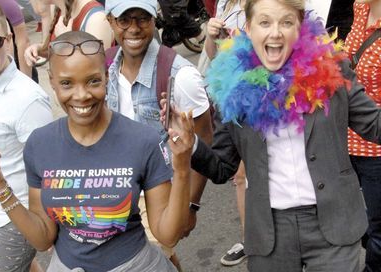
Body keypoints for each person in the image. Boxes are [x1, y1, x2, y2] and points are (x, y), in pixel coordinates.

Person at [163, 0, 381, 271]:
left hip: (334, 222)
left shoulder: (331, 68)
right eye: (265, 22)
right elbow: (222, 167)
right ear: (249, 27)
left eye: (286, 22)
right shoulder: (233, 84)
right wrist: (190, 145)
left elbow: (374, 125)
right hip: (270, 233)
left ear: (300, 26)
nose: (275, 33)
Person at [0, 30, 194, 272]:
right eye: (66, 83)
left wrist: (182, 166)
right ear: (51, 82)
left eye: (93, 81)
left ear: (106, 76)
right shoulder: (40, 145)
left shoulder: (143, 140)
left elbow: (168, 235)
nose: (81, 95)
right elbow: (42, 238)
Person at [104, 0, 213, 269]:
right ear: (110, 21)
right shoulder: (103, 69)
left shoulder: (181, 76)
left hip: (159, 197)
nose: (134, 28)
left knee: (151, 260)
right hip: (115, 198)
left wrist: (191, 204)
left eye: (142, 18)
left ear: (155, 20)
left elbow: (204, 142)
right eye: (124, 20)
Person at [0, 1, 53, 271]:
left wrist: (49, 227)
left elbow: (48, 169)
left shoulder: (28, 99)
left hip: (10, 221)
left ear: (9, 40)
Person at [199, 0, 248, 266]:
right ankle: (250, 238)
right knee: (240, 177)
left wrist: (244, 42)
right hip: (229, 98)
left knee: (247, 174)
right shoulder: (224, 3)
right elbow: (212, 55)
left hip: (258, 97)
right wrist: (211, 35)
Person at [345, 1, 381, 270]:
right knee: (357, 222)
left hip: (376, 150)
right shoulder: (361, 6)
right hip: (346, 140)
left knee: (379, 232)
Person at [24, 0, 113, 67]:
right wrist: (40, 50)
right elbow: (57, 54)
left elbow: (95, 72)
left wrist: (66, 44)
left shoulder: (96, 20)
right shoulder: (56, 8)